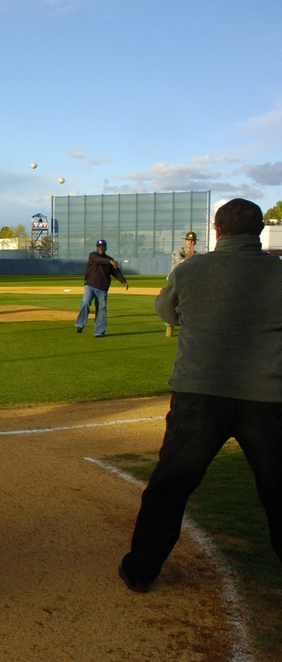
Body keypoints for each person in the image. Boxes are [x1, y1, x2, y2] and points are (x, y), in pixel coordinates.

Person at [120, 198, 282, 593]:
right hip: (268, 397)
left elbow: (167, 313)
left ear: (217, 230)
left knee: (170, 486)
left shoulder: (192, 269)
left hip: (199, 395)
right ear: (259, 231)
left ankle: (141, 570)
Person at [74, 239, 129, 337]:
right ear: (96, 248)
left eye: (103, 247)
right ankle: (80, 324)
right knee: (85, 302)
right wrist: (110, 261)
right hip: (90, 285)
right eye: (99, 247)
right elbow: (99, 260)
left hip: (102, 289)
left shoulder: (109, 260)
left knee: (101, 310)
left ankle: (99, 332)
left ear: (105, 248)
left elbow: (116, 272)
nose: (101, 248)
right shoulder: (93, 256)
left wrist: (123, 281)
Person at [164, 231, 198, 338]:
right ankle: (169, 325)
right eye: (188, 240)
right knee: (172, 303)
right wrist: (189, 255)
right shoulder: (178, 252)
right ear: (185, 241)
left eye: (192, 241)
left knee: (188, 305)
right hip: (175, 281)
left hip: (188, 283)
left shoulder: (195, 254)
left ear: (195, 242)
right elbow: (181, 264)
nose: (190, 242)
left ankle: (186, 327)